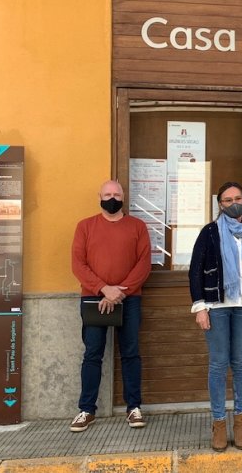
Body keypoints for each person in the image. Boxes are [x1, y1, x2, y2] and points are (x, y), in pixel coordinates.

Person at [189, 182, 242, 451]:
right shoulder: (210, 232)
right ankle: (218, 424)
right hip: (217, 306)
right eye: (227, 199)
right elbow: (195, 271)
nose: (233, 202)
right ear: (220, 205)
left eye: (237, 198)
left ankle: (241, 423)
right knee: (218, 364)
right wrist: (200, 306)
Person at [70, 180, 151, 432]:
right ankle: (86, 409)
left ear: (124, 196)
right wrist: (104, 289)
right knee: (93, 354)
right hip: (94, 298)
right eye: (107, 194)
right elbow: (78, 264)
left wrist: (120, 291)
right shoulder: (85, 226)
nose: (112, 198)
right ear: (99, 197)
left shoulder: (138, 226)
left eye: (116, 194)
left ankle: (134, 408)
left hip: (130, 299)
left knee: (130, 353)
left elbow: (144, 264)